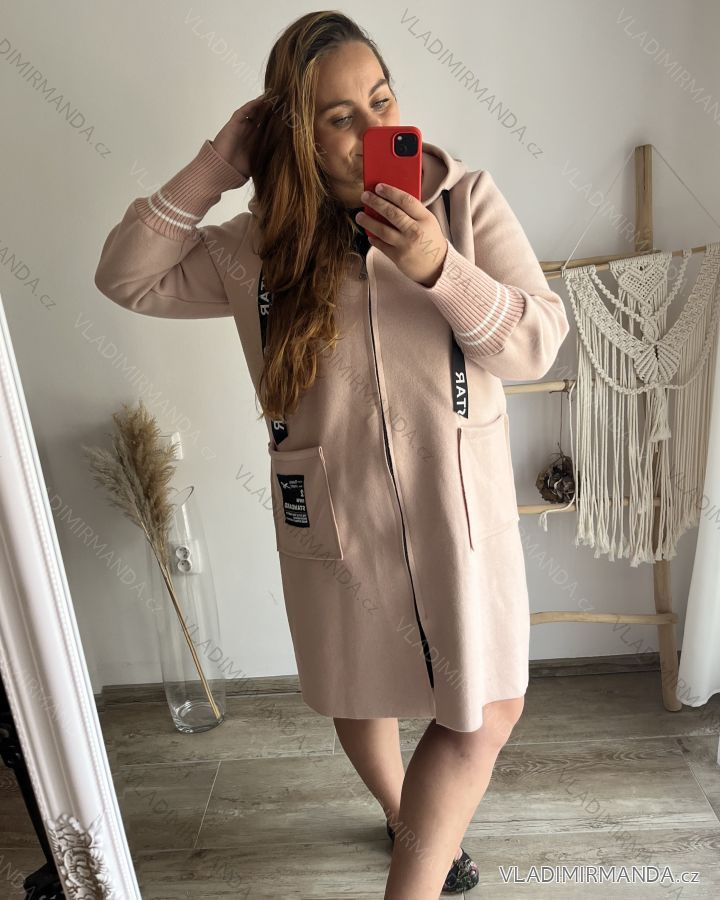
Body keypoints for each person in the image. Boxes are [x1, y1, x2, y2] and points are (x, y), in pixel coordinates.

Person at [94, 11, 570, 899]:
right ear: (297, 137)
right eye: (340, 117)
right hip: (337, 513)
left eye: (380, 102)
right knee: (362, 692)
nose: (370, 129)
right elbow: (126, 274)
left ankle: (412, 871)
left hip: (458, 514)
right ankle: (404, 815)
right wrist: (219, 162)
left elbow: (536, 344)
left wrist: (439, 267)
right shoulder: (257, 249)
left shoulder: (463, 204)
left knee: (487, 710)